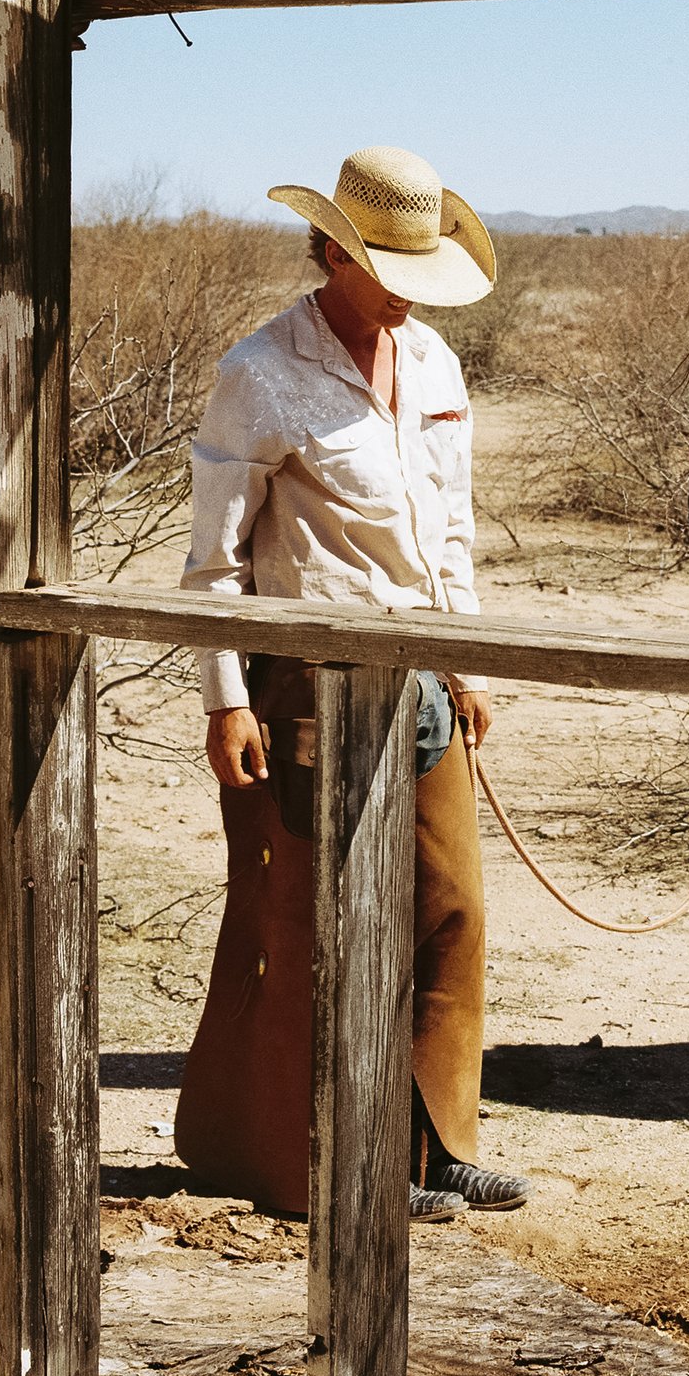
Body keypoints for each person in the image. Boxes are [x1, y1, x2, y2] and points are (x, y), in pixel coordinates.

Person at [172, 145, 529, 1224]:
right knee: (316, 919)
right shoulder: (260, 371)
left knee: (449, 908)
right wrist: (225, 696)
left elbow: (450, 531)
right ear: (329, 248)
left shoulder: (434, 368)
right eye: (385, 265)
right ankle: (315, 1157)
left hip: (418, 673)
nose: (405, 294)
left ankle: (434, 1141)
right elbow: (212, 559)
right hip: (305, 686)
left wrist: (464, 658)